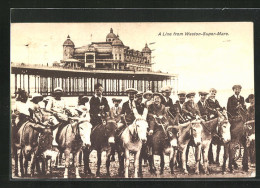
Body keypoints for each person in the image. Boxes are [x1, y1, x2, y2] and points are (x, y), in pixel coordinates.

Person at [245, 94, 255, 166]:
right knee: (250, 143)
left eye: (253, 99)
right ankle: (252, 160)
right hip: (250, 128)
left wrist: (250, 121)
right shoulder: (248, 109)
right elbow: (246, 118)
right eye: (250, 100)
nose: (251, 101)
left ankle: (253, 160)